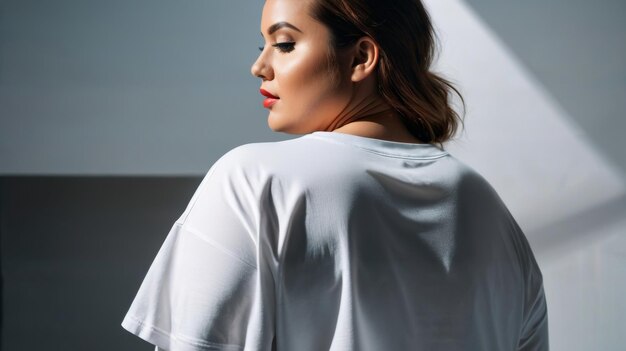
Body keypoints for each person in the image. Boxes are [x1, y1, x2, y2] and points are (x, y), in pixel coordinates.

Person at [121, 0, 549, 350]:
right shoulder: (489, 210)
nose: (261, 67)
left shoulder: (253, 181)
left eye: (285, 44)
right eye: (262, 47)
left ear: (362, 57)